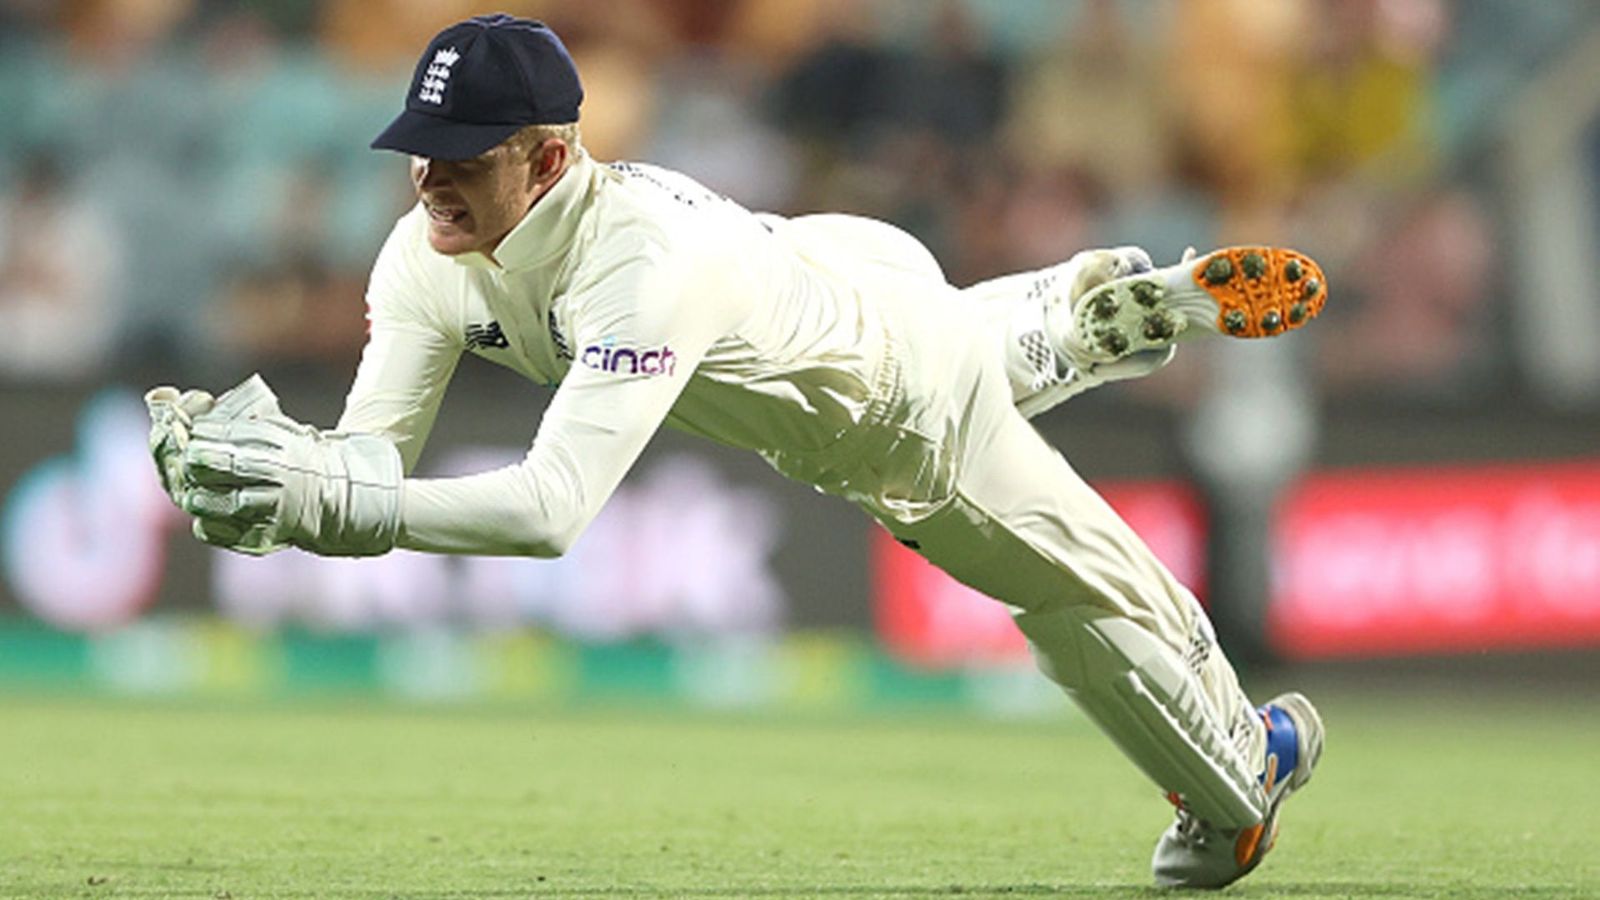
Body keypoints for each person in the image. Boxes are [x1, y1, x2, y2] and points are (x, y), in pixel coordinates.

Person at [147, 15, 1325, 889]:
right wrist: (305, 478)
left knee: (1082, 603)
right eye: (421, 143)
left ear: (550, 159)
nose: (430, 175)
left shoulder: (639, 268)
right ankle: (1070, 317)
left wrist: (328, 507)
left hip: (900, 412)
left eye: (465, 150)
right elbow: (372, 463)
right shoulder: (424, 250)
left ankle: (1246, 767)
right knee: (908, 349)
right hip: (831, 276)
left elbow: (547, 513)